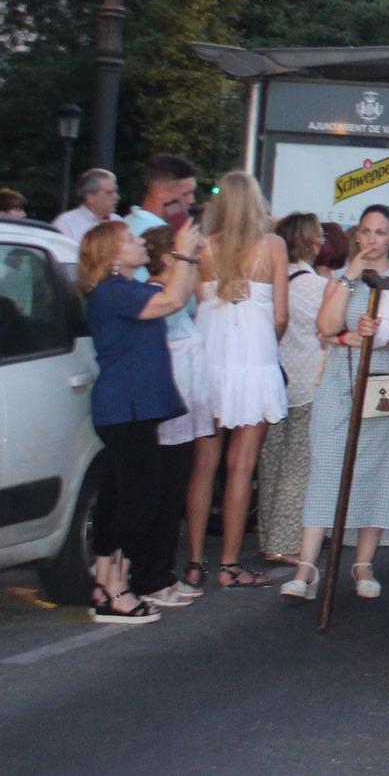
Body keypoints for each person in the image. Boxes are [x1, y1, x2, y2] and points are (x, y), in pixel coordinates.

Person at [285, 206, 389, 604]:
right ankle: (307, 565)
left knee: (376, 466)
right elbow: (325, 328)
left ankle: (363, 563)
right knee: (327, 463)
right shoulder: (343, 277)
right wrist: (350, 278)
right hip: (341, 377)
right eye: (365, 231)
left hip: (381, 378)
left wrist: (379, 337)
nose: (371, 239)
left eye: (380, 232)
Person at [78, 217, 202, 621]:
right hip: (124, 408)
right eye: (129, 239)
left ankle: (105, 581)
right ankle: (116, 586)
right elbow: (172, 301)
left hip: (132, 408)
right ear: (112, 255)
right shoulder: (113, 293)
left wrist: (187, 258)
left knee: (120, 496)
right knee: (138, 498)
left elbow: (175, 295)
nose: (139, 243)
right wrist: (182, 251)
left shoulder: (127, 290)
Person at [192, 171, 289, 588]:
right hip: (255, 364)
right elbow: (282, 316)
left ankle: (195, 561)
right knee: (241, 467)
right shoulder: (273, 247)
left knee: (203, 467)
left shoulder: (202, 250)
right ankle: (230, 565)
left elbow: (198, 306)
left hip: (210, 366)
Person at [138, 225, 208, 603]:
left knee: (171, 495)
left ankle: (161, 572)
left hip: (184, 411)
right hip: (165, 413)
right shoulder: (155, 299)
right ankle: (149, 577)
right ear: (169, 258)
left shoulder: (180, 299)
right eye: (189, 255)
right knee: (159, 495)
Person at [257, 213, 331, 566]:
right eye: (318, 236)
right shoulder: (315, 285)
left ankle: (266, 534)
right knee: (298, 466)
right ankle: (284, 542)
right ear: (310, 242)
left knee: (271, 462)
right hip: (307, 380)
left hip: (273, 378)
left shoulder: (272, 277)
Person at [53, 168, 119, 243]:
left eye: (116, 192)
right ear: (90, 197)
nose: (117, 197)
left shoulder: (118, 221)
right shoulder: (66, 224)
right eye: (109, 193)